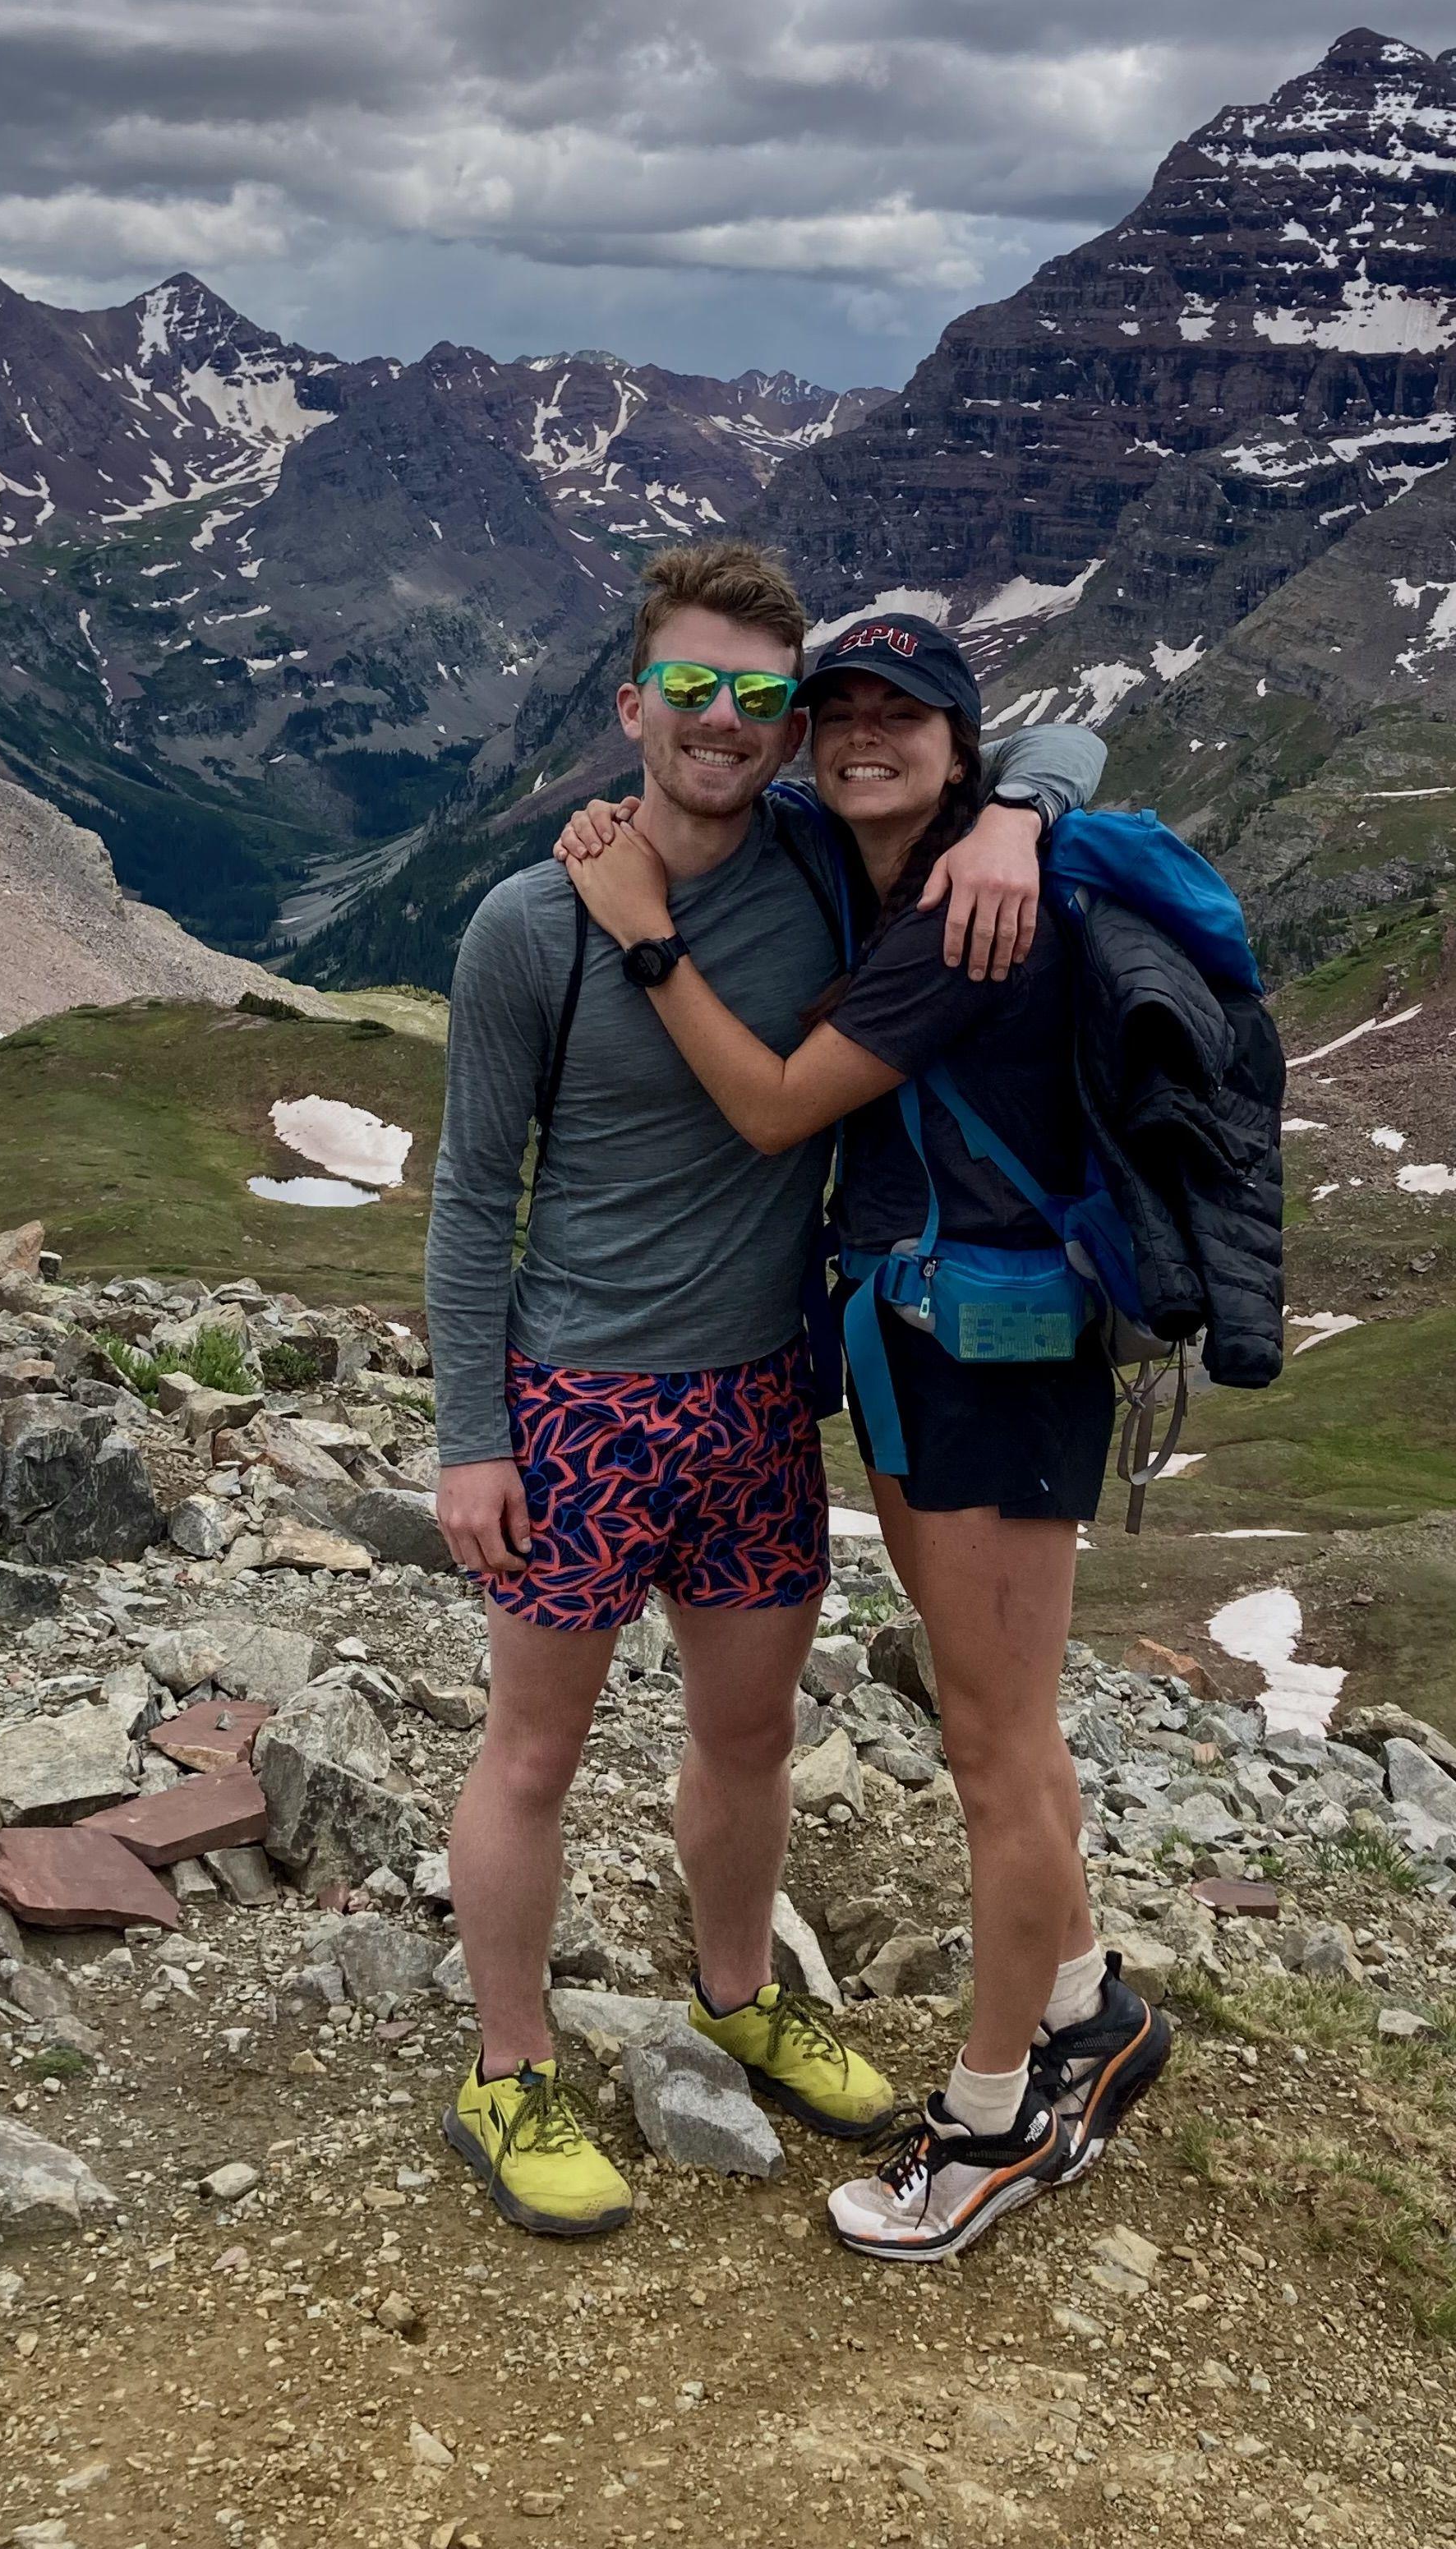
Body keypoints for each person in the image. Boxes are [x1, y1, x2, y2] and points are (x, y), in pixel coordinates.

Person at [424, 543, 1108, 2240]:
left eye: (756, 696)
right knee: (533, 1753)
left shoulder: (818, 857)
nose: (721, 721)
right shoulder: (531, 922)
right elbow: (469, 1190)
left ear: (788, 727)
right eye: (689, 687)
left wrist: (1018, 821)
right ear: (631, 705)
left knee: (749, 1742)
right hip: (578, 1402)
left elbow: (1029, 754)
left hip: (758, 1404)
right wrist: (469, 1439)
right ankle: (508, 2073)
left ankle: (739, 1996)